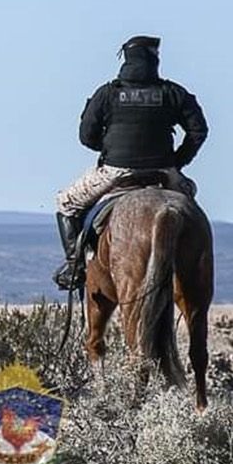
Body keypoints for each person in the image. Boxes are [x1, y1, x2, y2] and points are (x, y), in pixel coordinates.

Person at [52, 35, 208, 290]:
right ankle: (198, 268)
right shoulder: (173, 93)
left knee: (66, 203)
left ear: (126, 58)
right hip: (163, 173)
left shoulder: (107, 93)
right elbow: (198, 131)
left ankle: (75, 267)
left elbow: (86, 135)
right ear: (154, 58)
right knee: (191, 207)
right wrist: (178, 161)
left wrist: (110, 149)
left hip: (115, 172)